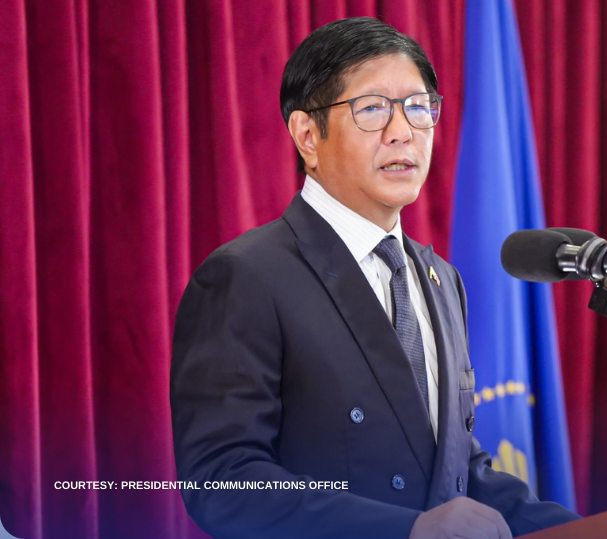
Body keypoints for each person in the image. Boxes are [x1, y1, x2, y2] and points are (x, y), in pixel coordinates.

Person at [170, 16, 580, 539]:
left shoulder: (440, 279)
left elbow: (454, 471)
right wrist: (406, 530)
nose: (403, 131)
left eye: (418, 107)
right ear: (307, 135)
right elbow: (223, 481)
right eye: (372, 109)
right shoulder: (247, 276)